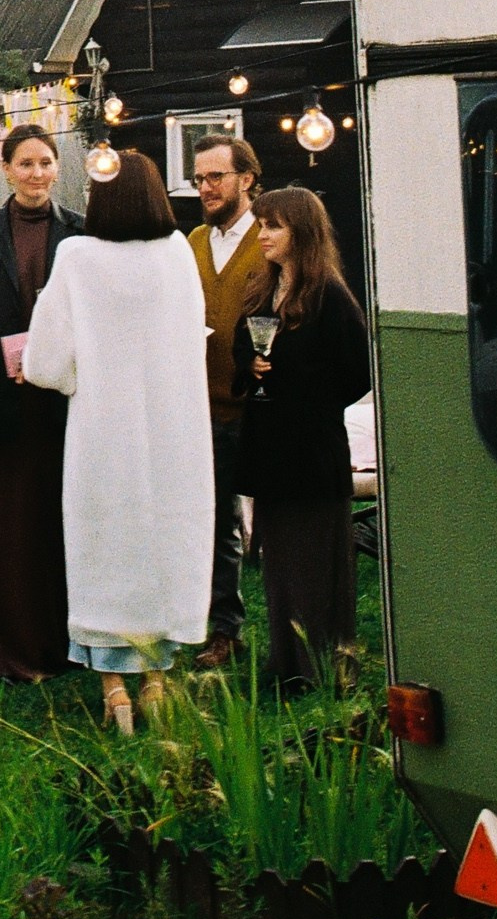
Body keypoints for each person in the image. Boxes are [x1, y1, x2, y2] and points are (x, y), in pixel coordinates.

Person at [22, 150, 211, 729]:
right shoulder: (179, 254)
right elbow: (194, 338)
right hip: (174, 429)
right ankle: (155, 680)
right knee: (163, 540)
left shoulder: (77, 256)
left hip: (104, 431)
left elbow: (44, 363)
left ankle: (115, 692)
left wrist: (85, 377)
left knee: (105, 545)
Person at [0, 124, 82, 683]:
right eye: (24, 163)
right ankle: (12, 652)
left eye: (45, 163)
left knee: (60, 522)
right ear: (5, 169)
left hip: (62, 399)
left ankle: (63, 644)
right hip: (5, 399)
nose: (36, 174)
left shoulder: (80, 235)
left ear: (57, 168)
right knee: (9, 528)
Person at [233, 186, 372, 691]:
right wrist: (250, 365)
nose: (263, 234)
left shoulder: (328, 294)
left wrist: (304, 391)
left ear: (302, 233)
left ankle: (322, 664)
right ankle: (286, 660)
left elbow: (358, 370)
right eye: (261, 225)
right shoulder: (261, 287)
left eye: (274, 226)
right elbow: (239, 348)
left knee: (315, 556)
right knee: (281, 558)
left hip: (311, 448)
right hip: (272, 445)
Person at [185, 131, 273, 667]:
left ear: (247, 178)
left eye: (216, 177)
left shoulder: (270, 237)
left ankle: (300, 628)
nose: (206, 188)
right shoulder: (193, 240)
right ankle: (224, 627)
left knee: (272, 517)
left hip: (256, 405)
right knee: (214, 520)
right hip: (202, 404)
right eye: (199, 179)